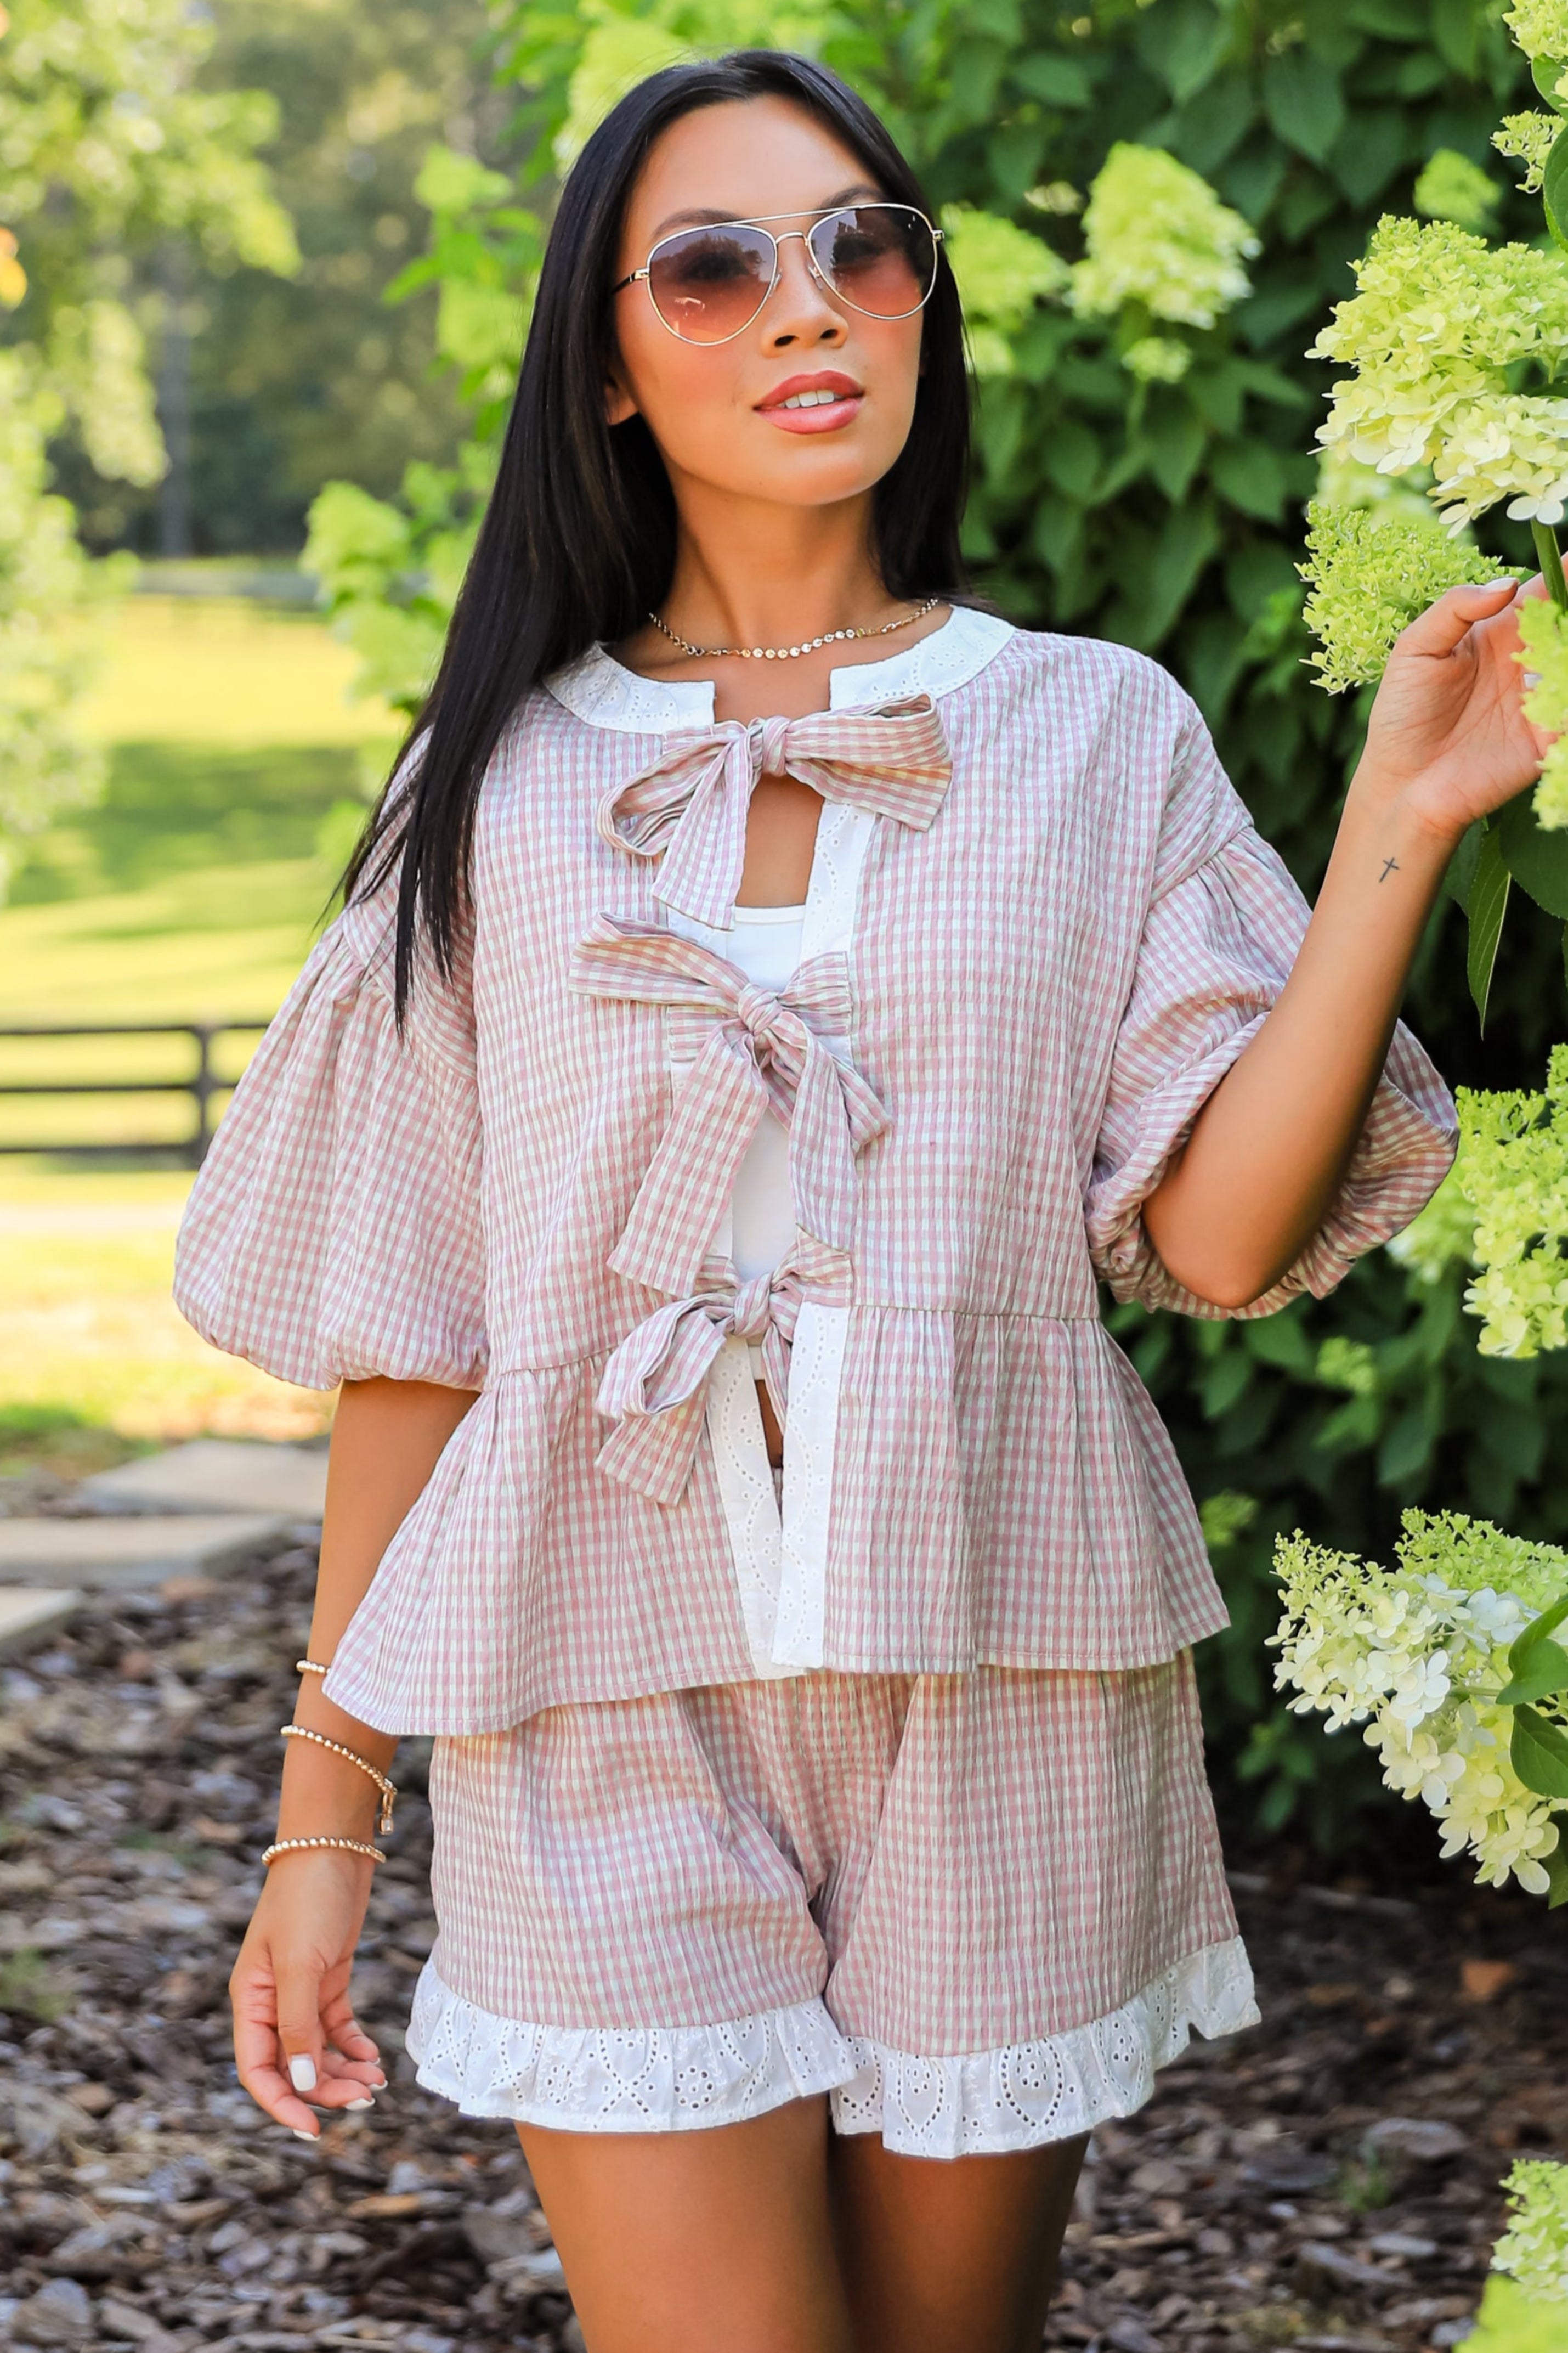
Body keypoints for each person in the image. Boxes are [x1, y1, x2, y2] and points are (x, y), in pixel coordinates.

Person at [173, 47, 1549, 2353]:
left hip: (995, 1663)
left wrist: (1395, 834)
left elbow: (1209, 1244)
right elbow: (420, 1330)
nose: (806, 307)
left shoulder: (1096, 731)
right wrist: (328, 1821)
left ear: (920, 306)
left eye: (859, 249)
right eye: (713, 267)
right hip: (590, 1679)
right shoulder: (494, 783)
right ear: (608, 371)